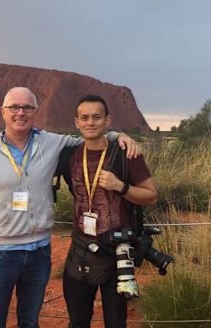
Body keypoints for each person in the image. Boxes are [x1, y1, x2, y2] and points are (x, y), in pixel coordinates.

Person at [0, 87, 138, 328]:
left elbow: (88, 136)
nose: (20, 113)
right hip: (2, 251)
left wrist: (119, 136)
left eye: (27, 108)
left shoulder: (51, 142)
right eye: (14, 107)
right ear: (3, 112)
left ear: (35, 112)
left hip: (39, 252)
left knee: (30, 321)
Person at [57, 95, 157, 328]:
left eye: (96, 117)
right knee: (78, 320)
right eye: (85, 118)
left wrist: (120, 186)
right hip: (80, 247)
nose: (90, 122)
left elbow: (151, 195)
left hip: (116, 251)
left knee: (115, 322)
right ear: (77, 123)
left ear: (107, 121)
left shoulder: (126, 154)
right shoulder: (67, 156)